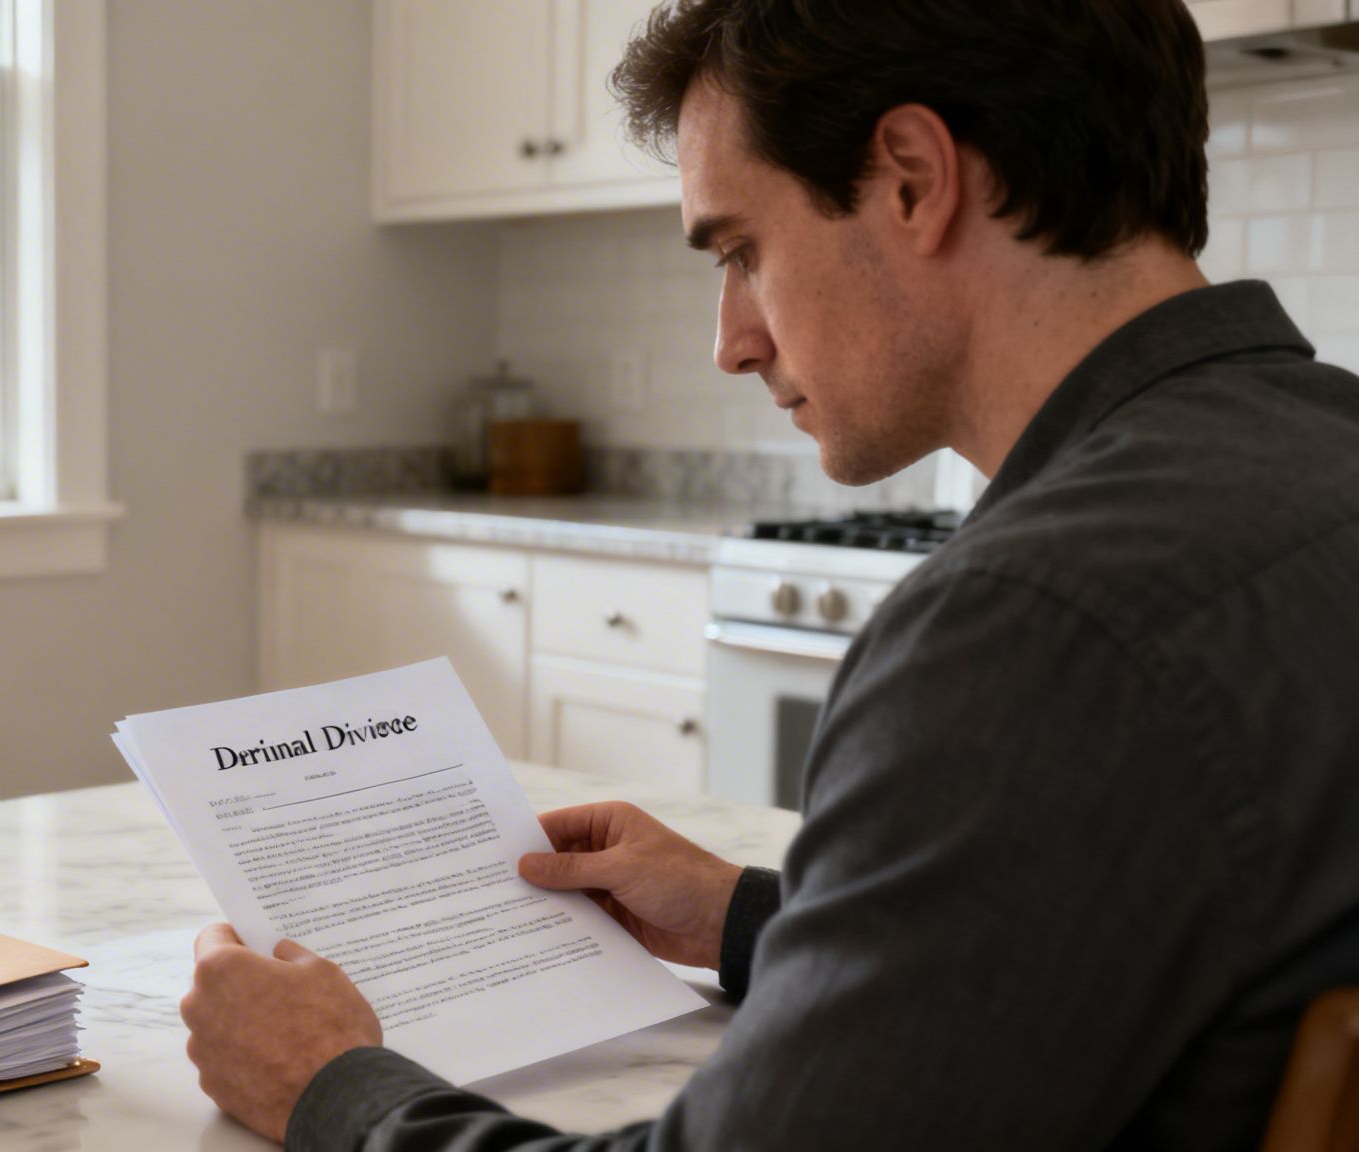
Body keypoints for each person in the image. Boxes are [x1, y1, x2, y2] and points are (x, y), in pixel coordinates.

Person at [178, 0, 1359, 1148]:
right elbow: (1126, 935)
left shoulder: (1034, 630)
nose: (729, 339)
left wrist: (332, 1086)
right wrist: (754, 919)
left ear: (910, 176)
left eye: (742, 249)